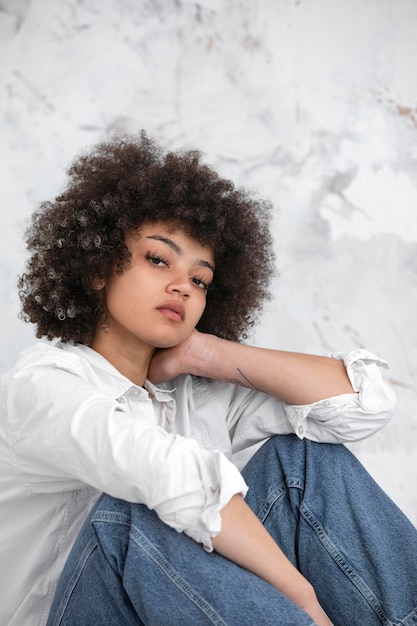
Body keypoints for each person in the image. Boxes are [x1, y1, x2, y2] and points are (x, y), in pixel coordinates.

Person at [0, 132, 416, 626]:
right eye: (158, 259)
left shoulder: (196, 394)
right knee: (133, 512)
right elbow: (170, 474)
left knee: (299, 457)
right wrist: (303, 601)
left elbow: (364, 405)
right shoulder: (42, 385)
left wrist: (205, 352)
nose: (182, 285)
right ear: (96, 268)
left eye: (200, 280)